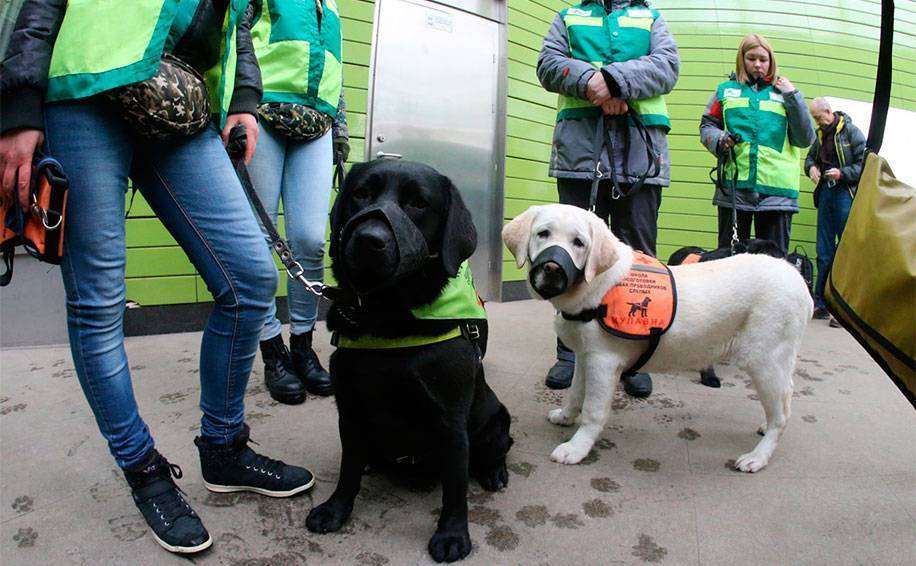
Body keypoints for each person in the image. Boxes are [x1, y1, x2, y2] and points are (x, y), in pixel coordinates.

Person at [0, 0, 315, 555]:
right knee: (98, 303)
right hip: (88, 83)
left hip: (181, 99)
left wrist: (244, 99)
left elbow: (239, 21)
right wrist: (20, 103)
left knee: (249, 279)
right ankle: (143, 469)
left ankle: (223, 449)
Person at [536, 0, 680, 397]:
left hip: (641, 153)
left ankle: (634, 355)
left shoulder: (650, 17)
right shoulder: (569, 16)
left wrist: (614, 81)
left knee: (639, 257)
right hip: (579, 152)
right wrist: (592, 84)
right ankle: (569, 354)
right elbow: (548, 64)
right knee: (569, 252)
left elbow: (667, 66)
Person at [246, 0, 348, 404]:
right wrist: (239, 105)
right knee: (258, 242)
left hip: (317, 122)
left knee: (309, 239)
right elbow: (237, 39)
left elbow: (333, 71)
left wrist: (340, 129)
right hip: (263, 110)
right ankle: (272, 350)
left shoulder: (332, 7)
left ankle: (302, 345)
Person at [699, 33, 816, 256]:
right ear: (741, 59)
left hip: (777, 194)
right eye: (751, 58)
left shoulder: (785, 94)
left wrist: (793, 96)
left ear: (771, 61)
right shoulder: (725, 91)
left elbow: (805, 138)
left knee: (774, 265)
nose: (758, 65)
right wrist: (719, 139)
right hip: (734, 190)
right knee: (729, 261)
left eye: (763, 59)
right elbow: (707, 126)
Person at [805, 97, 866, 327]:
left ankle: (843, 308)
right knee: (823, 251)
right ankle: (822, 303)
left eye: (818, 117)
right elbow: (810, 158)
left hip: (844, 194)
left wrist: (842, 173)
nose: (817, 122)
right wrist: (811, 167)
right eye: (814, 119)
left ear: (829, 112)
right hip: (826, 193)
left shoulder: (851, 132)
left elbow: (864, 164)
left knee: (846, 252)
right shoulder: (820, 135)